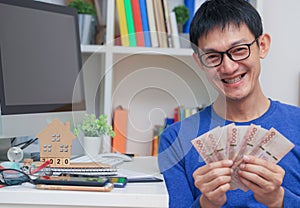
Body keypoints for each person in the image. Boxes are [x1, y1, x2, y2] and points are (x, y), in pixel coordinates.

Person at [158, 0, 300, 207]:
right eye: (213, 56)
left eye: (239, 50)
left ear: (262, 46)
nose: (229, 67)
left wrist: (279, 199)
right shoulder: (175, 139)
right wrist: (207, 203)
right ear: (199, 62)